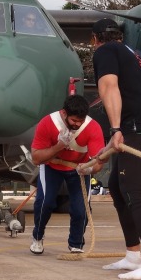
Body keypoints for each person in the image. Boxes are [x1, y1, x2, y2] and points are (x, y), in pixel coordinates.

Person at [91, 18, 141, 279]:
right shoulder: (133, 55)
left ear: (94, 39)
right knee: (116, 187)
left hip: (140, 129)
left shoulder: (105, 51)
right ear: (120, 36)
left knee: (133, 191)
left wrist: (114, 130)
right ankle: (133, 255)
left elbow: (109, 87)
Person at [29, 95, 105, 255]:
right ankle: (37, 237)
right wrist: (58, 146)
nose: (77, 124)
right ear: (64, 113)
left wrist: (89, 169)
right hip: (51, 166)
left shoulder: (92, 127)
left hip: (79, 169)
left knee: (81, 208)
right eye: (74, 120)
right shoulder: (48, 123)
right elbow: (36, 158)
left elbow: (99, 161)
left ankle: (76, 243)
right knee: (45, 203)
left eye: (81, 120)